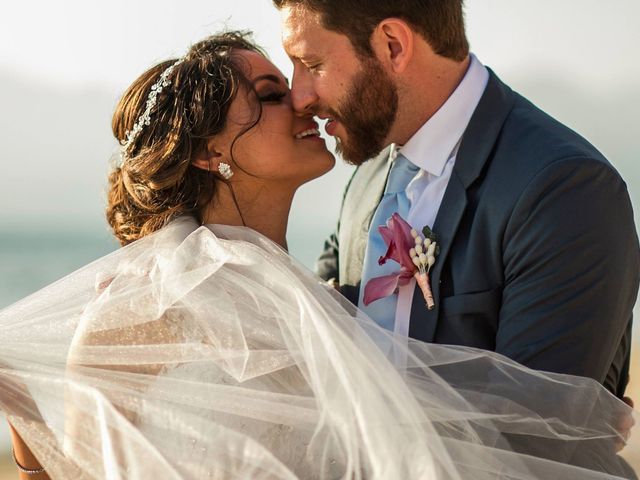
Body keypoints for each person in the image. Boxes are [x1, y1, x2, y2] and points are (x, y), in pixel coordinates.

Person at [1, 32, 637, 479]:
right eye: (272, 94)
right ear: (206, 152)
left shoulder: (306, 294)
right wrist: (33, 438)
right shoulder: (149, 305)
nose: (304, 101)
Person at [273, 0, 640, 398]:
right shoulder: (369, 177)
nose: (298, 97)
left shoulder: (564, 191)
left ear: (393, 45)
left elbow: (534, 441)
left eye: (311, 65)